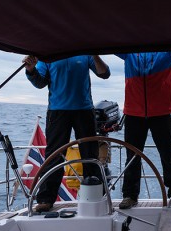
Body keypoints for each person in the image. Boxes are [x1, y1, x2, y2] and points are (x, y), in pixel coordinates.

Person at [24, 54, 111, 212]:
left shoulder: (86, 52)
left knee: (90, 155)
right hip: (57, 112)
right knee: (54, 156)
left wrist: (95, 53)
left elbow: (105, 74)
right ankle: (45, 199)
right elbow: (40, 83)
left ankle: (96, 196)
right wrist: (31, 70)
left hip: (84, 111)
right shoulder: (48, 54)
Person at [115, 52, 171, 209]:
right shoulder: (129, 54)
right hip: (134, 113)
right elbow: (111, 41)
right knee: (132, 156)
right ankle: (130, 195)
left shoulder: (167, 53)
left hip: (161, 113)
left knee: (168, 154)